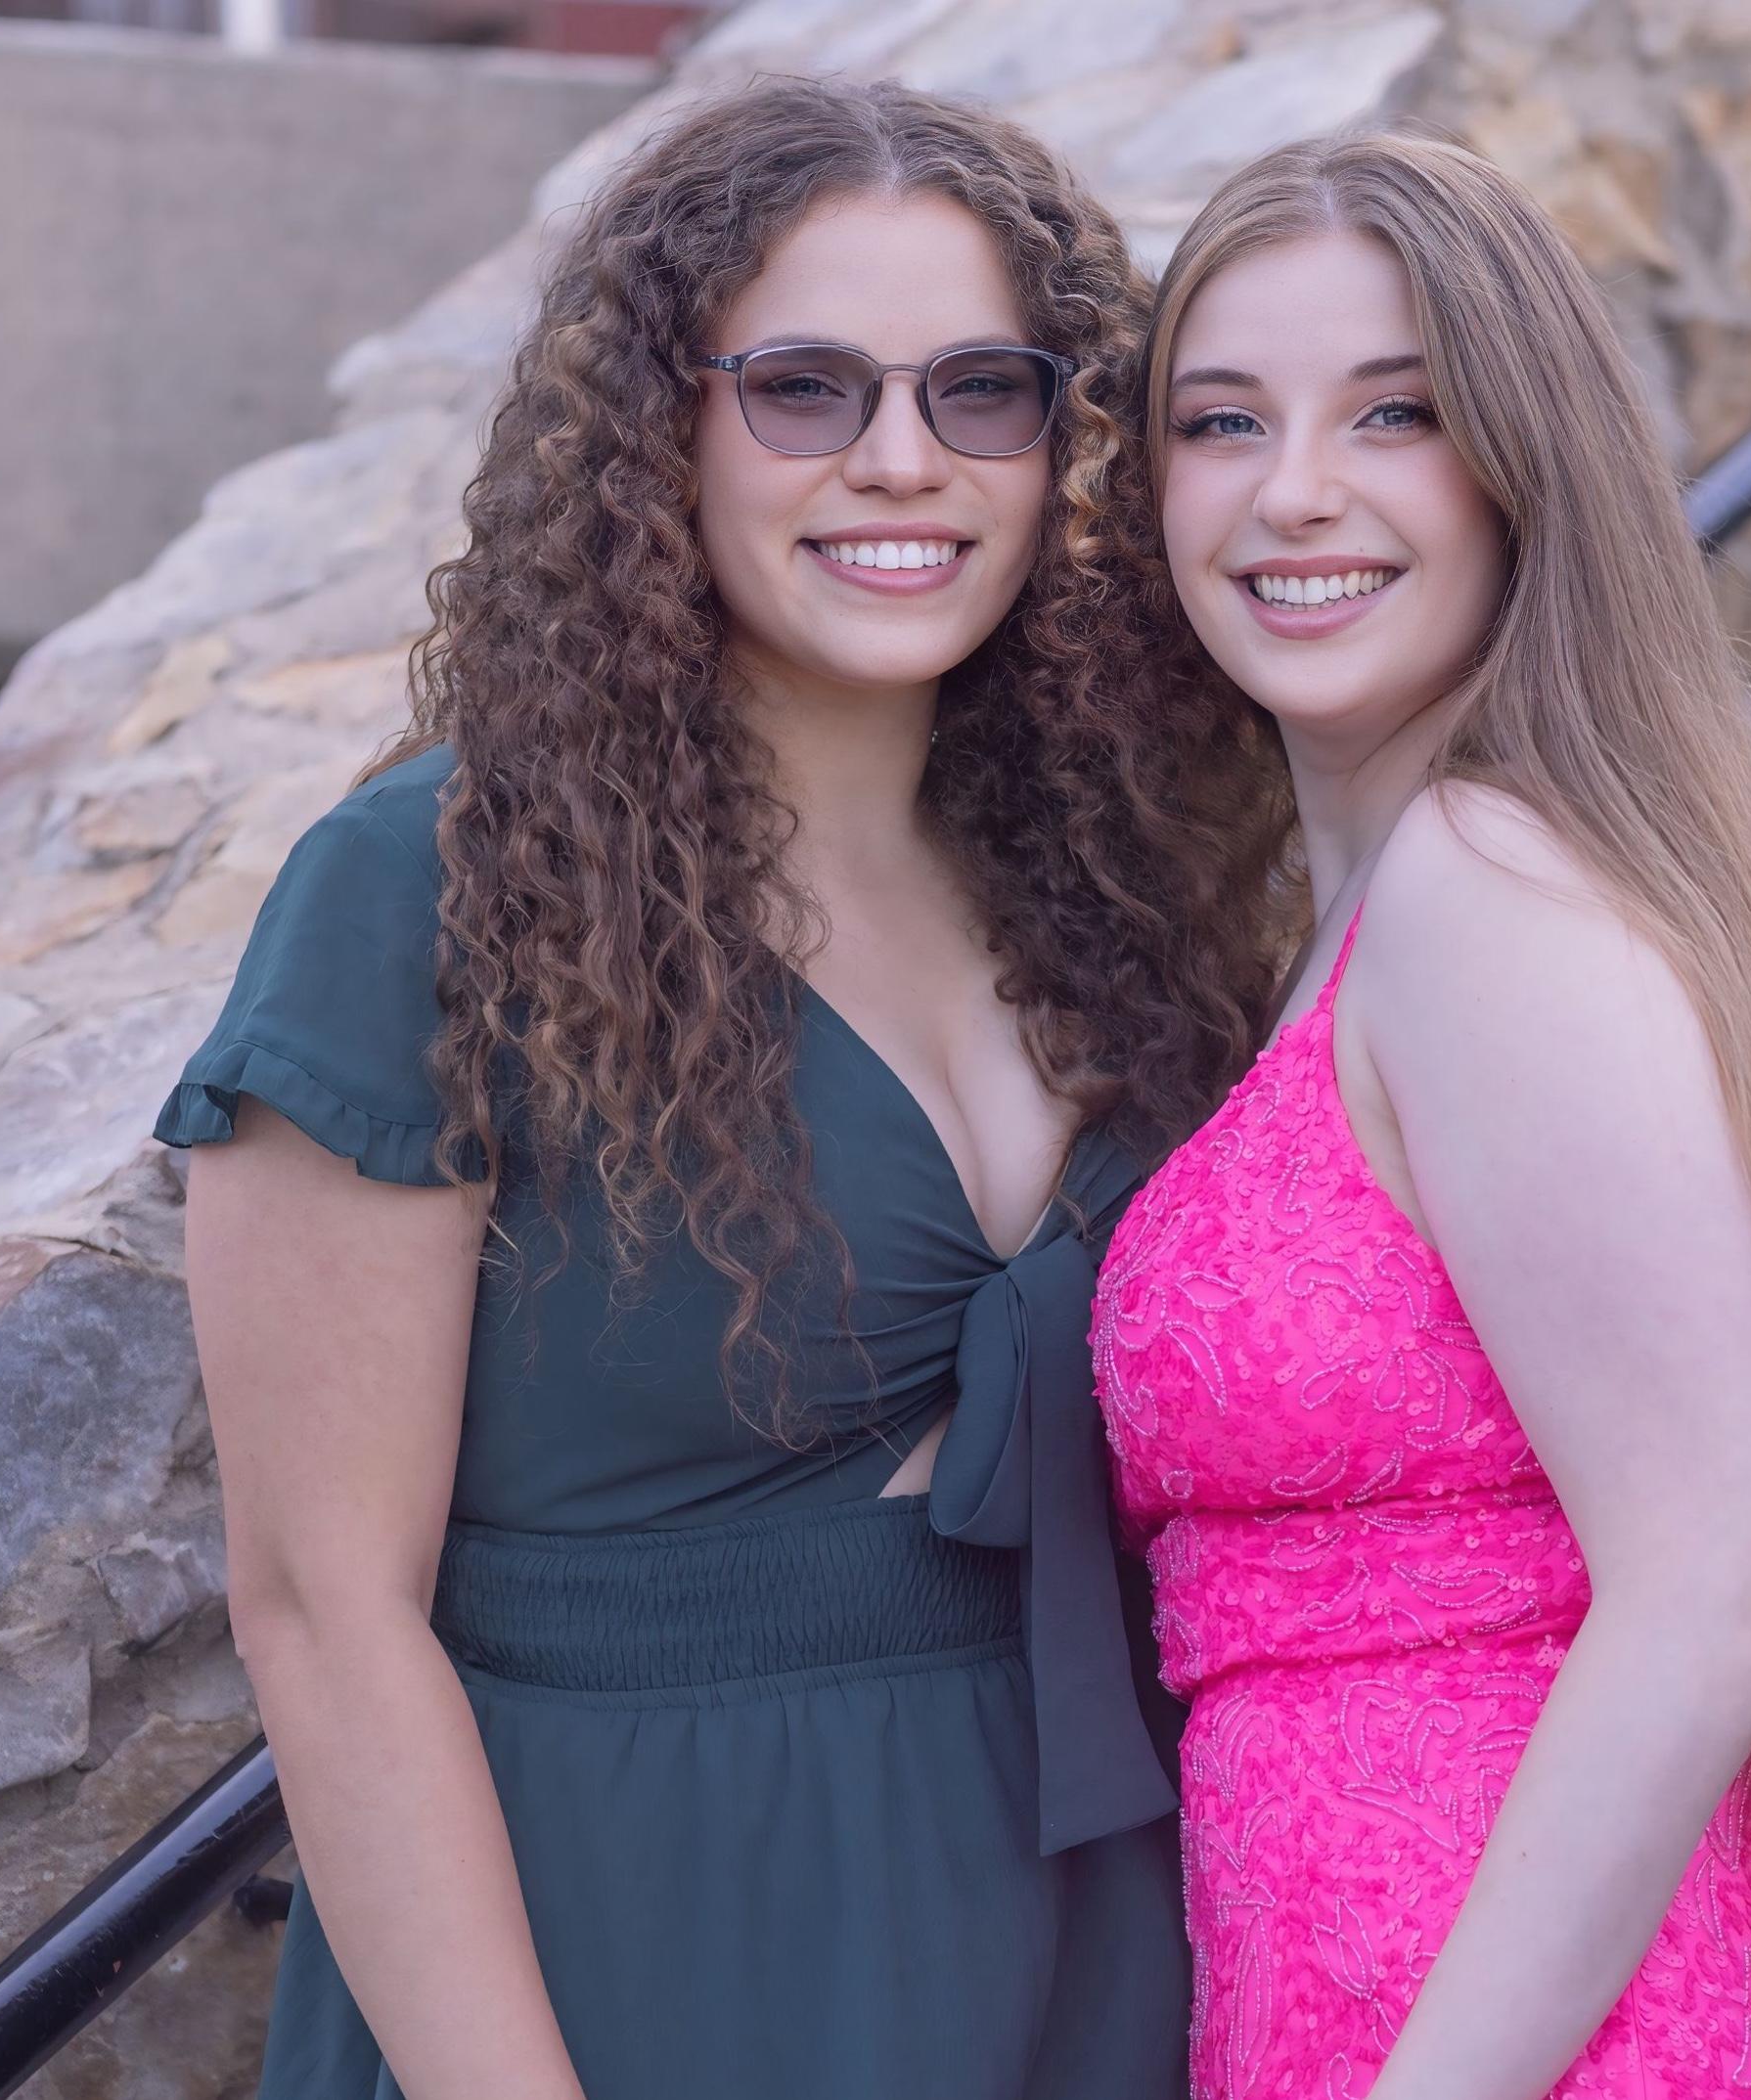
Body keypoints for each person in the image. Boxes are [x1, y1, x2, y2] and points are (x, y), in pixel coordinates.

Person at [157, 76, 1286, 2100]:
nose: (901, 461)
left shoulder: (1114, 875)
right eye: (804, 388)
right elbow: (324, 1615)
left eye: (983, 392)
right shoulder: (434, 889)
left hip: (1095, 1930)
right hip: (636, 1954)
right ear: (655, 427)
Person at [1092, 130, 1751, 2100]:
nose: (1293, 490)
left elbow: (1722, 1585)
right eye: (1221, 419)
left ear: (1525, 468)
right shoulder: (1365, 914)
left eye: (1395, 413)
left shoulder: (1488, 893)